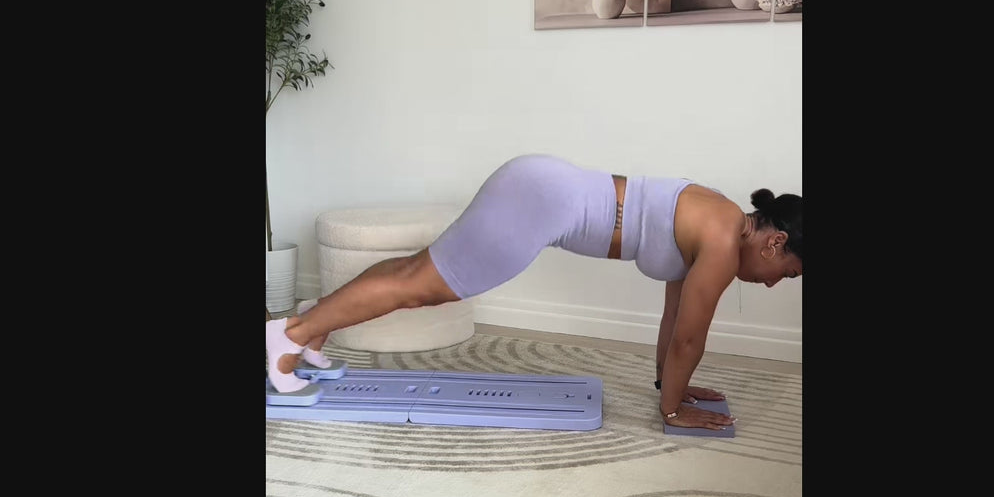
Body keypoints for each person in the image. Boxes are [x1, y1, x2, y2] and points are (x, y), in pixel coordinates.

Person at [266, 154, 802, 431]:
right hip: (540, 205)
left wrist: (671, 387)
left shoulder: (720, 213)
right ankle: (289, 336)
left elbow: (675, 318)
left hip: (540, 185)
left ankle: (314, 325)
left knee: (415, 273)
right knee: (419, 286)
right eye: (789, 272)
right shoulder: (721, 242)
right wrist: (673, 412)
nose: (775, 282)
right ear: (775, 243)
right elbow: (689, 338)